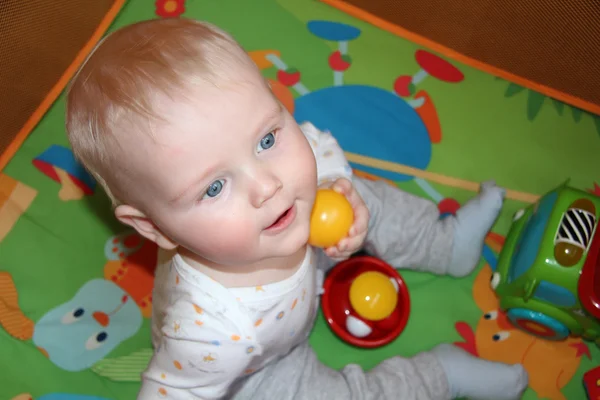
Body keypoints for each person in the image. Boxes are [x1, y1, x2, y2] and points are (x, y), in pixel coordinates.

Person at [65, 18, 528, 400]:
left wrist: (345, 204)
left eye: (266, 139)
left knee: (356, 195)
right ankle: (440, 376)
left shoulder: (279, 182)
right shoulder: (209, 334)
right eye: (214, 188)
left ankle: (445, 244)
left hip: (309, 261)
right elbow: (171, 392)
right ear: (153, 227)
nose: (268, 185)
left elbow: (313, 159)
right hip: (261, 363)